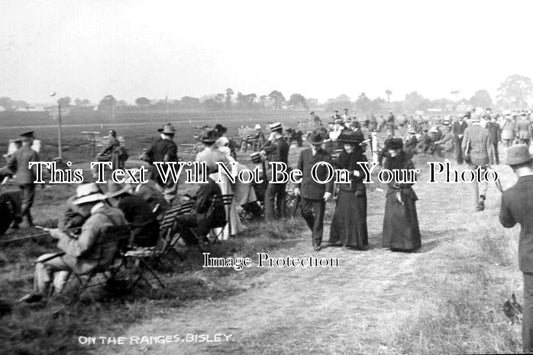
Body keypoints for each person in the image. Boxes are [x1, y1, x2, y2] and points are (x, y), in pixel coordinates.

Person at [18, 184, 127, 303]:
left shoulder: (94, 221)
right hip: (113, 259)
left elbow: (79, 250)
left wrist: (61, 236)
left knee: (43, 261)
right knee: (62, 257)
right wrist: (77, 238)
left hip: (92, 262)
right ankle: (56, 290)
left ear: (88, 203)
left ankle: (41, 297)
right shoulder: (117, 213)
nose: (80, 207)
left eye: (81, 204)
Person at [499, 144, 533, 353]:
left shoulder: (510, 195)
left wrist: (507, 199)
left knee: (530, 304)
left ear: (512, 168)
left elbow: (507, 223)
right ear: (531, 162)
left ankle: (529, 348)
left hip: (530, 256)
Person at [328, 131, 368, 250]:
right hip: (344, 190)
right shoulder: (342, 157)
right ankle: (341, 239)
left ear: (355, 146)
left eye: (350, 145)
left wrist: (354, 173)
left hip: (356, 190)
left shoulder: (361, 157)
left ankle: (356, 241)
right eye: (346, 145)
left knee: (357, 216)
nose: (348, 147)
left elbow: (365, 174)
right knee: (342, 215)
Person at [294, 132, 333, 251]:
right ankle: (315, 230)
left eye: (317, 145)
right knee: (305, 212)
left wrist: (328, 191)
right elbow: (298, 170)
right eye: (312, 144)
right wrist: (296, 186)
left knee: (319, 217)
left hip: (319, 191)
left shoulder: (326, 155)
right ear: (309, 143)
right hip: (305, 188)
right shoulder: (304, 153)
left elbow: (329, 174)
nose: (314, 147)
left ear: (321, 144)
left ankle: (317, 241)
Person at [381, 138, 421, 252]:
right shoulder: (387, 161)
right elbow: (385, 176)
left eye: (393, 150)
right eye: (390, 150)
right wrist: (393, 184)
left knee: (405, 218)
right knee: (392, 218)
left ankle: (407, 244)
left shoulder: (407, 161)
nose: (391, 152)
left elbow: (412, 178)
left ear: (399, 149)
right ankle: (393, 243)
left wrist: (402, 184)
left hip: (405, 193)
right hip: (392, 192)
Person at [177, 167, 226, 244]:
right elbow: (203, 201)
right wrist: (192, 199)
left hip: (210, 218)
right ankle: (198, 240)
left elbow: (200, 207)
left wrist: (190, 202)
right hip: (217, 216)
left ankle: (192, 242)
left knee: (179, 219)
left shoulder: (206, 186)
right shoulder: (211, 183)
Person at [106, 182, 159, 247]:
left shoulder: (123, 202)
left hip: (144, 235)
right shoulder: (133, 198)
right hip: (152, 231)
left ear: (116, 197)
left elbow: (122, 222)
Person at [7, 131, 40, 228]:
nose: (33, 141)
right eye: (32, 139)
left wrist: (16, 172)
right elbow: (35, 168)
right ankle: (14, 221)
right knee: (27, 202)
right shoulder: (33, 153)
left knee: (24, 202)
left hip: (19, 180)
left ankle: (29, 224)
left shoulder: (17, 152)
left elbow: (9, 165)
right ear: (29, 140)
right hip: (29, 180)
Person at [462, 110, 493, 211]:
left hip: (472, 159)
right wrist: (490, 162)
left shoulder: (467, 130)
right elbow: (489, 148)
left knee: (473, 182)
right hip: (483, 159)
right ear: (480, 120)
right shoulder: (486, 131)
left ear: (471, 120)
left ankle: (476, 206)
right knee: (483, 179)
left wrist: (465, 154)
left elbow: (463, 145)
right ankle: (482, 196)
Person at [143, 123, 179, 204]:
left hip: (156, 172)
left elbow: (144, 157)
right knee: (169, 194)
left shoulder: (155, 143)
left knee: (159, 194)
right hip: (169, 172)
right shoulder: (171, 145)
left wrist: (154, 163)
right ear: (172, 134)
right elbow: (167, 159)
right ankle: (167, 210)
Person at [261, 122, 290, 222]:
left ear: (274, 132)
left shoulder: (274, 145)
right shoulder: (285, 143)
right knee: (281, 195)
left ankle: (269, 219)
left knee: (269, 196)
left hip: (275, 173)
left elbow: (261, 150)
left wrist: (269, 140)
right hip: (283, 172)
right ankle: (282, 216)